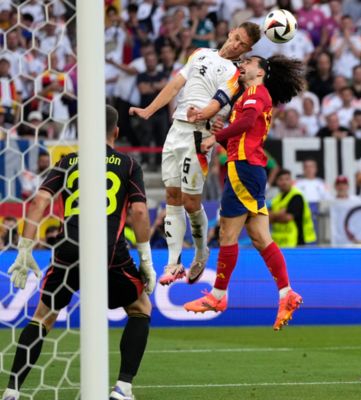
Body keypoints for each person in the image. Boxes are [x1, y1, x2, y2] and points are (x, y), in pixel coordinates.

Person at [2, 106, 156, 400]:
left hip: (67, 248)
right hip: (109, 250)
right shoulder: (128, 164)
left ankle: (12, 391)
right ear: (116, 132)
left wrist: (24, 249)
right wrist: (146, 261)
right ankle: (123, 388)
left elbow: (38, 203)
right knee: (140, 308)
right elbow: (138, 210)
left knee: (42, 316)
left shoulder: (67, 161)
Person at [129, 22, 261, 286]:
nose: (236, 45)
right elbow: (175, 85)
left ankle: (201, 251)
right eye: (236, 38)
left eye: (242, 45)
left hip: (199, 134)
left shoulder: (236, 72)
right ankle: (173, 263)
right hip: (176, 128)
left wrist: (204, 115)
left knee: (190, 202)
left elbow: (220, 100)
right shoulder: (200, 53)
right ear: (231, 31)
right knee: (171, 197)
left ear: (247, 49)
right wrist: (148, 110)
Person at [183, 55, 307, 331]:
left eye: (249, 61)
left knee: (228, 233)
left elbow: (249, 121)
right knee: (261, 238)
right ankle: (286, 294)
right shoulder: (252, 94)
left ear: (260, 71)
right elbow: (244, 135)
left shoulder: (255, 92)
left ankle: (218, 297)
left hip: (243, 171)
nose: (243, 64)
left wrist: (217, 136)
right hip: (250, 170)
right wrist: (223, 134)